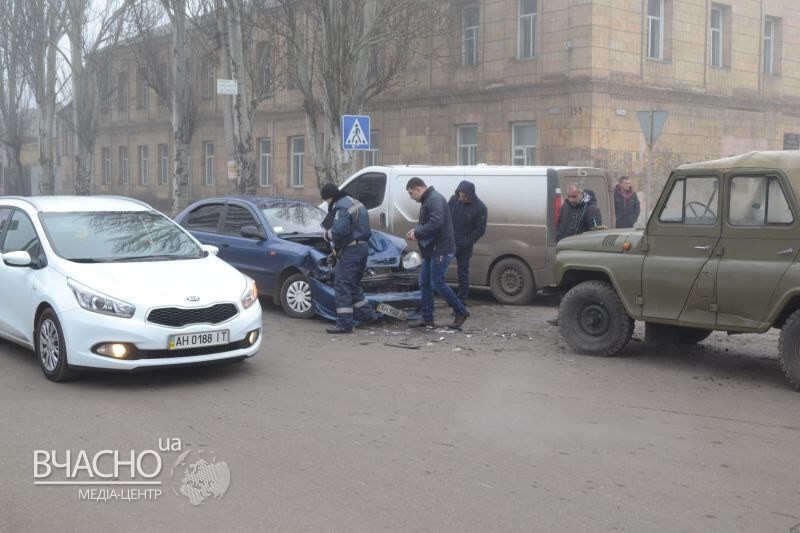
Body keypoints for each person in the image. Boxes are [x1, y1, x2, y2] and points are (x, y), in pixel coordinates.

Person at [405, 177, 470, 329]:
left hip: (441, 249)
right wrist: (417, 230)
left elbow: (436, 222)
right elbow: (430, 222)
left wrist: (418, 233)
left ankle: (461, 311)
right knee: (424, 282)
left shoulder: (434, 199)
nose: (411, 197)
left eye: (411, 193)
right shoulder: (429, 200)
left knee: (437, 282)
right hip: (432, 249)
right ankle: (427, 319)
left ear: (418, 189)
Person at [320, 182, 377, 334]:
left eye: (326, 201)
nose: (327, 204)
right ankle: (367, 316)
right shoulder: (355, 202)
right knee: (354, 285)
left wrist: (327, 234)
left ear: (329, 198)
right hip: (362, 247)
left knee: (342, 284)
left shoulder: (341, 206)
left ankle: (344, 324)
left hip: (351, 250)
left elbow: (341, 230)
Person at [549, 183, 604, 326]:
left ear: (581, 193)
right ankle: (562, 316)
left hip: (582, 255)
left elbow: (596, 233)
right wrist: (559, 238)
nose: (571, 199)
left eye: (574, 196)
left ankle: (579, 319)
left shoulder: (591, 209)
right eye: (569, 196)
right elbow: (560, 223)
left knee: (579, 289)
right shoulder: (566, 205)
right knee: (563, 285)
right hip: (565, 250)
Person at [448, 180, 487, 304]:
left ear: (470, 194)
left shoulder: (480, 207)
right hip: (449, 243)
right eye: (459, 195)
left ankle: (461, 302)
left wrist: (467, 242)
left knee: (463, 275)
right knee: (439, 270)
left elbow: (480, 229)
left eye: (464, 196)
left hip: (464, 246)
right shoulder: (454, 200)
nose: (461, 198)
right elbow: (446, 217)